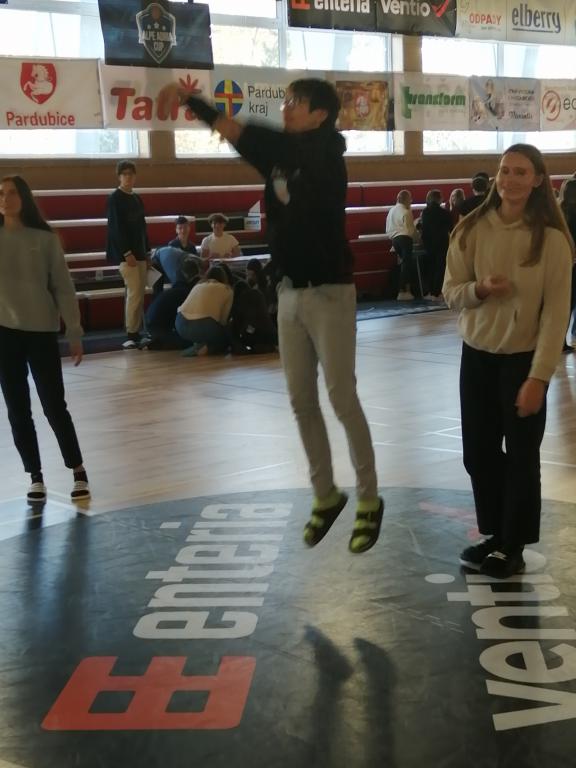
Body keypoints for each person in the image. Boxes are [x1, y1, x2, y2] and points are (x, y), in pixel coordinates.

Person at [159, 77, 384, 554]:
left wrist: (270, 155)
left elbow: (286, 168)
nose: (285, 108)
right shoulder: (279, 150)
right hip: (289, 293)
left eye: (295, 102)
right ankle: (325, 494)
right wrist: (192, 101)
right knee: (301, 400)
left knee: (342, 397)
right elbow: (234, 129)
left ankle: (369, 497)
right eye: (285, 100)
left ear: (319, 114)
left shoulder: (328, 156)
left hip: (330, 292)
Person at [443, 144, 573, 579]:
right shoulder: (471, 229)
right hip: (477, 358)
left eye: (521, 172)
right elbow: (450, 292)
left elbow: (556, 316)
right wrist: (479, 289)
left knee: (521, 457)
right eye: (505, 170)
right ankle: (496, 535)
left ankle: (513, 546)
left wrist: (539, 377)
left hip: (523, 363)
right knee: (478, 454)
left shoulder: (552, 241)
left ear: (538, 180)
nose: (511, 179)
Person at [0, 175, 90, 504]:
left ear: (24, 197)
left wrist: (74, 331)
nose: (5, 198)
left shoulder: (45, 239)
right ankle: (35, 476)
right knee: (17, 409)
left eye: (11, 193)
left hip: (41, 332)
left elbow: (63, 288)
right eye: (0, 193)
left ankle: (78, 470)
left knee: (54, 405)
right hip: (5, 334)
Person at [105, 160, 150, 349]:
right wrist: (126, 252)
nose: (128, 177)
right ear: (119, 177)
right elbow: (115, 229)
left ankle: (136, 332)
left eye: (131, 174)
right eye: (124, 174)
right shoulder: (114, 198)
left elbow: (142, 227)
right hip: (126, 255)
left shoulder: (136, 198)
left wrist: (147, 252)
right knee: (134, 293)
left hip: (139, 253)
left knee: (139, 293)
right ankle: (131, 333)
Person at [175, 265, 233, 356]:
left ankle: (198, 346)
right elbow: (223, 320)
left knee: (202, 333)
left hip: (180, 323)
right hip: (204, 325)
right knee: (225, 338)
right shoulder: (227, 289)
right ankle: (205, 349)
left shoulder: (197, 286)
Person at [420, 189, 453, 300]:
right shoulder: (445, 213)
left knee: (430, 266)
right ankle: (437, 292)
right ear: (439, 199)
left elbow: (423, 228)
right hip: (442, 242)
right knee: (440, 267)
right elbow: (451, 228)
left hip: (428, 242)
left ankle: (429, 291)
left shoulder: (425, 212)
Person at [386, 189, 417, 300]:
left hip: (394, 239)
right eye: (410, 199)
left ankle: (403, 289)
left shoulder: (391, 211)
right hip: (405, 238)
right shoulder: (406, 211)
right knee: (406, 264)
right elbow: (410, 230)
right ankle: (403, 290)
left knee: (402, 264)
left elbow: (388, 229)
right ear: (407, 200)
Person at [559, 178, 576, 352]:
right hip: (574, 263)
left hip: (562, 263)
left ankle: (560, 340)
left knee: (564, 303)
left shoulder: (559, 212)